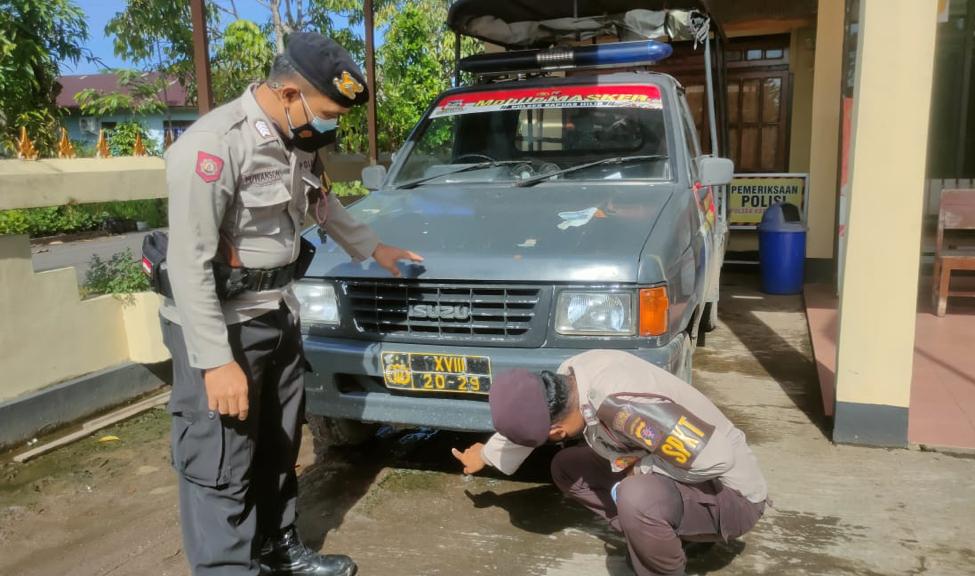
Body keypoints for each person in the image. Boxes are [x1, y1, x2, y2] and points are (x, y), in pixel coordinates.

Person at [160, 32, 421, 576]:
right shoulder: (213, 145)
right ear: (287, 94)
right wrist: (215, 360)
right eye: (325, 113)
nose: (327, 126)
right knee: (220, 462)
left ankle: (278, 549)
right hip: (222, 327)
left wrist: (374, 248)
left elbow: (323, 205)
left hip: (278, 312)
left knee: (278, 445)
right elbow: (188, 263)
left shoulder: (294, 139)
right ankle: (228, 567)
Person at [452, 350, 768, 576]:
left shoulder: (623, 405)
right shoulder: (572, 375)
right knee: (566, 466)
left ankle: (662, 563)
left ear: (558, 431)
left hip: (732, 495)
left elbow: (717, 458)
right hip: (690, 481)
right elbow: (538, 410)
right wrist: (486, 454)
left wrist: (641, 470)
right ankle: (661, 537)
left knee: (636, 497)